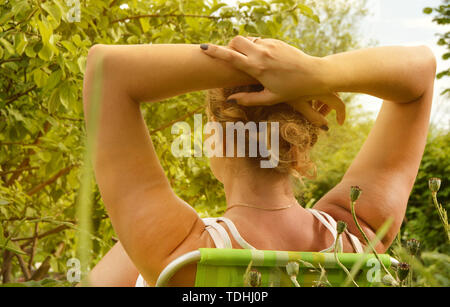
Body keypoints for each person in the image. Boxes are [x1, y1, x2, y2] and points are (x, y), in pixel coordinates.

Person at [82, 36, 436, 286]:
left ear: (217, 140)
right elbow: (420, 71)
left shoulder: (178, 252)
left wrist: (250, 71)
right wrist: (315, 72)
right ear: (301, 146)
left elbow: (104, 70)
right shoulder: (360, 233)